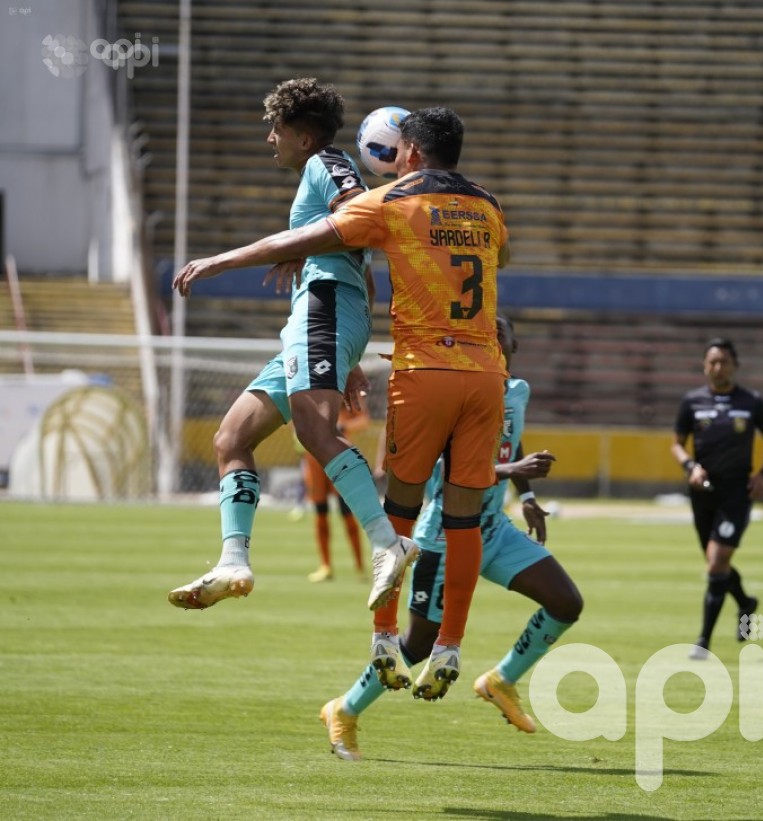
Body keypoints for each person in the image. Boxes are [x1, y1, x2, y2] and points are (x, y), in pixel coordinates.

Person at [174, 106, 510, 700]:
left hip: (423, 371)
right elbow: (498, 259)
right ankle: (450, 645)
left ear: (409, 152)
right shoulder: (487, 205)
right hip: (486, 374)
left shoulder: (391, 199)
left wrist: (221, 260)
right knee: (463, 520)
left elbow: (320, 235)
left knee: (395, 508)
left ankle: (384, 639)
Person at [168, 77, 413, 611]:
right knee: (231, 438)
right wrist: (349, 351)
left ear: (303, 137)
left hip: (324, 310)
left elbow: (361, 216)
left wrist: (223, 260)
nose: (269, 139)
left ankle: (387, 542)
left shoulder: (328, 163)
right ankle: (233, 559)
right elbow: (356, 251)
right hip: (321, 319)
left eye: (276, 129)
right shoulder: (317, 177)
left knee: (314, 430)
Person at [319, 314, 583, 760]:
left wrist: (527, 496)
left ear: (513, 346)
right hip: (443, 535)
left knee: (566, 602)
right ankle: (343, 709)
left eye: (499, 335)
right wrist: (514, 470)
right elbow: (445, 470)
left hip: (493, 528)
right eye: (485, 334)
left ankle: (501, 680)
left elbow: (510, 440)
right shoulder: (457, 391)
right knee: (418, 645)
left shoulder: (516, 391)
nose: (491, 340)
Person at [671, 337, 763, 660]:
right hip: (702, 493)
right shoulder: (692, 402)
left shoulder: (752, 401)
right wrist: (690, 466)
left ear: (735, 365)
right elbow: (676, 443)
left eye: (724, 362)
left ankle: (703, 641)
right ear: (705, 366)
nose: (719, 367)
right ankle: (746, 603)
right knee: (715, 562)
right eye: (713, 362)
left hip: (737, 493)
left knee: (717, 561)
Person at [300, 405, 370, 582]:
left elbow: (363, 420)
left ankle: (359, 566)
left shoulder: (347, 393)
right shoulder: (308, 395)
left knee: (347, 513)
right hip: (314, 459)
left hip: (340, 455)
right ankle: (325, 566)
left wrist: (343, 426)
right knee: (320, 512)